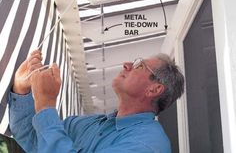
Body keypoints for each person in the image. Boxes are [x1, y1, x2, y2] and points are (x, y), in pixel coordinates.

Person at [9, 50, 184, 153]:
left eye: (139, 66)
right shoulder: (83, 124)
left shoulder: (148, 144)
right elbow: (32, 140)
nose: (126, 64)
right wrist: (21, 89)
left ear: (154, 89)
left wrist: (46, 104)